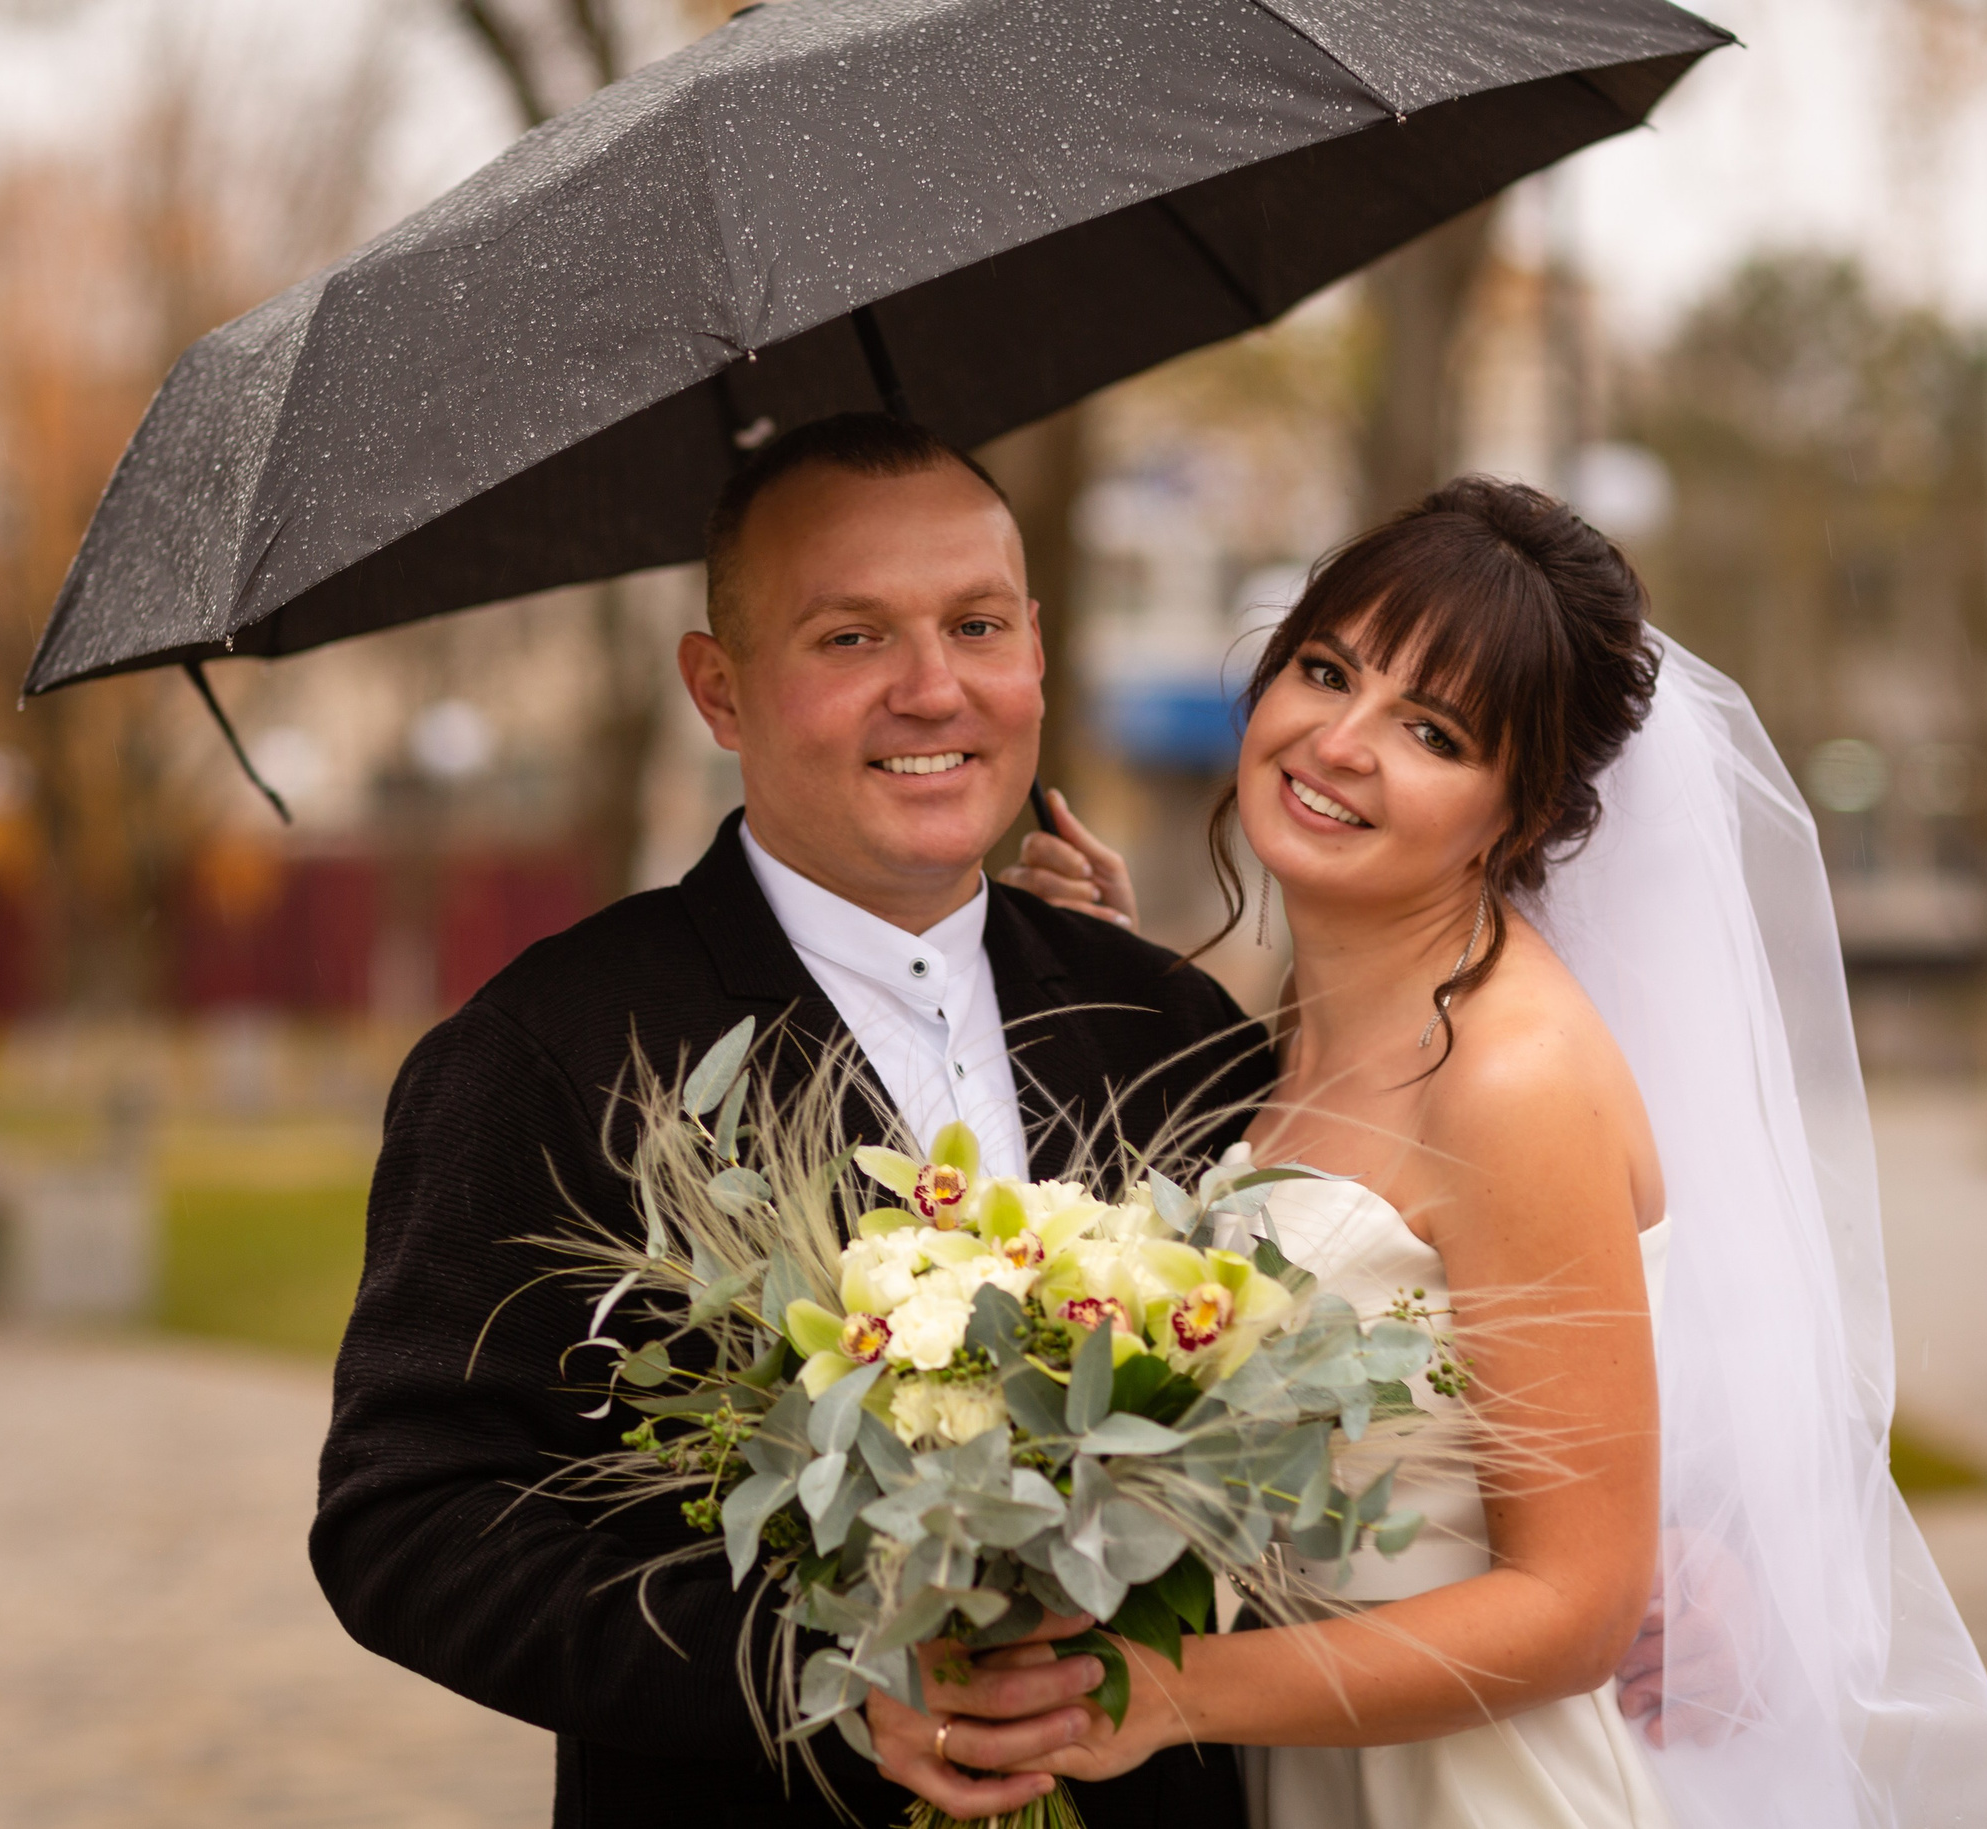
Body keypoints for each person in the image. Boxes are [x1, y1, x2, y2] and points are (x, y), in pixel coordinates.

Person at [978, 478, 1987, 1828]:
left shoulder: (1513, 1076)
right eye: (1325, 668)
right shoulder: (1321, 1016)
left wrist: (1169, 1692)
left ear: (1521, 814)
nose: (1340, 740)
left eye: (1431, 729)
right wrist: (1109, 971)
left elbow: (1577, 1605)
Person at [310, 414, 1272, 1829]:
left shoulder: (1171, 1033)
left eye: (977, 623)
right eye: (851, 638)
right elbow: (407, 1520)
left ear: (1039, 648)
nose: (935, 688)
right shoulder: (544, 1051)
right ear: (719, 688)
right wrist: (811, 1663)